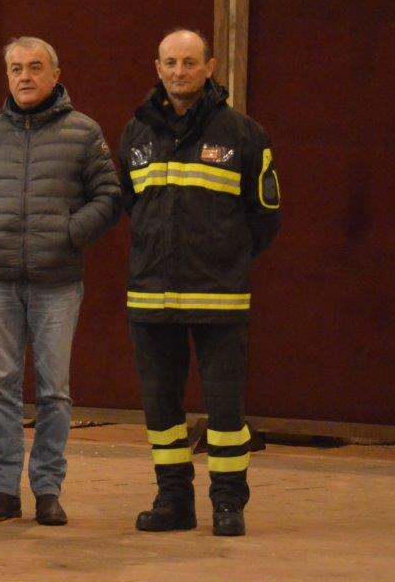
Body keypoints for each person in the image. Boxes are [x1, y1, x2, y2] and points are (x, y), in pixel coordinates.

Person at [0, 36, 120, 526]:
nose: (25, 76)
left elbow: (109, 196)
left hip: (57, 281)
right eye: (16, 68)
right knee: (1, 386)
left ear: (55, 74)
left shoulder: (83, 132)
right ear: (7, 76)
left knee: (54, 390)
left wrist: (71, 233)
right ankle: (4, 490)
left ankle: (47, 489)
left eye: (35, 67)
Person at [119, 28, 280, 538]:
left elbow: (265, 216)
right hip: (151, 295)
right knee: (161, 410)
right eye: (170, 62)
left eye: (190, 62)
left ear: (210, 67)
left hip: (219, 296)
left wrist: (224, 258)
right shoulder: (136, 133)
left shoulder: (243, 134)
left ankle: (228, 503)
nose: (179, 71)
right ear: (157, 67)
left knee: (226, 412)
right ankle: (173, 501)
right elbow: (130, 205)